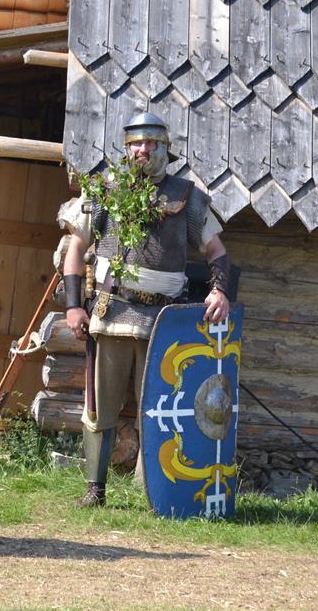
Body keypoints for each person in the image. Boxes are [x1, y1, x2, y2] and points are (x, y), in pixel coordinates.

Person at [61, 112, 231, 507]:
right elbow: (75, 247)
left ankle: (155, 493)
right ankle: (95, 489)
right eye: (137, 143)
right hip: (112, 314)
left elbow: (217, 250)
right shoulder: (105, 190)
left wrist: (219, 291)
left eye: (151, 142)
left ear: (165, 148)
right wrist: (73, 307)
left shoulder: (187, 197)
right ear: (127, 148)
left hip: (163, 323)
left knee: (160, 411)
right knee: (99, 407)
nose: (144, 150)